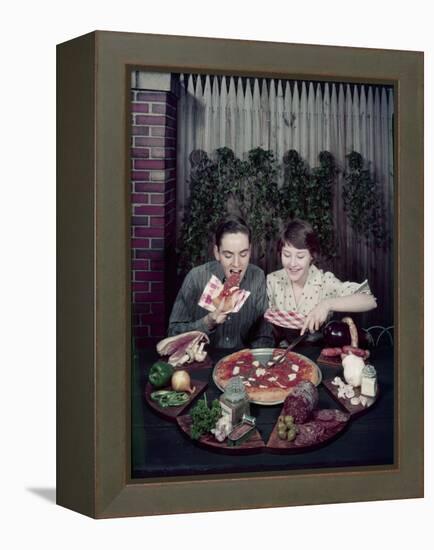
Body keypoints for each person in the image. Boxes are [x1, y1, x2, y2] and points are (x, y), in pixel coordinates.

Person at [168, 217, 273, 349]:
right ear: (217, 253)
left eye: (243, 254)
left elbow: (264, 336)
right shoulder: (196, 278)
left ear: (250, 251)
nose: (236, 263)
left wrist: (252, 362)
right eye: (228, 255)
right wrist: (207, 322)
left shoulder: (257, 277)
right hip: (202, 361)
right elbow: (172, 333)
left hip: (242, 362)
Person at [267, 219, 377, 338]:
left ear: (311, 256)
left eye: (300, 256)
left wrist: (327, 304)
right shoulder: (272, 280)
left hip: (317, 353)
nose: (292, 263)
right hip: (281, 352)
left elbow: (370, 300)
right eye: (287, 255)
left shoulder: (324, 281)